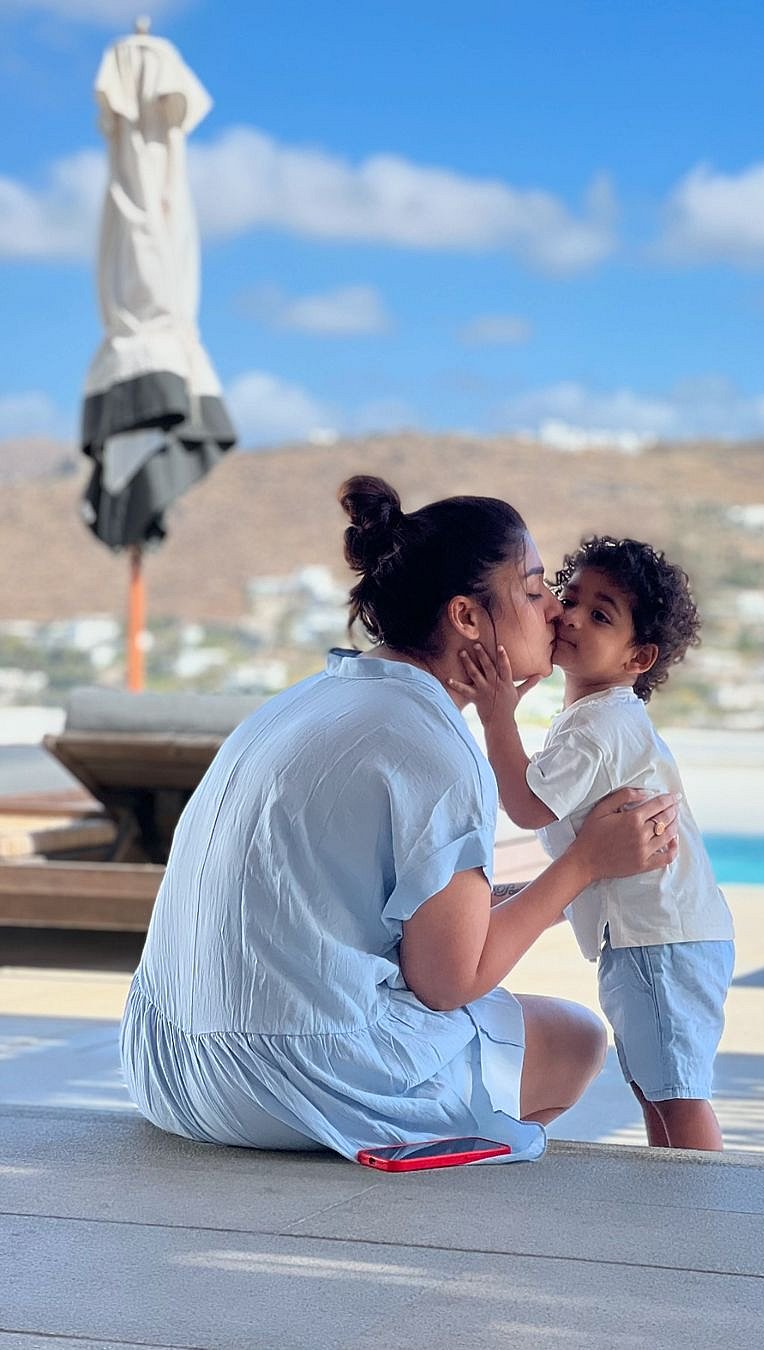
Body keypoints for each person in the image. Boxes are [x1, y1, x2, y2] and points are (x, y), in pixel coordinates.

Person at [119, 479, 679, 1164]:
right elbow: (449, 982)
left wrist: (539, 896)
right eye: (534, 590)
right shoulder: (433, 745)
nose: (556, 611)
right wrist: (585, 864)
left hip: (166, 1066)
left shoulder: (307, 700)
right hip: (285, 1084)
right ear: (466, 617)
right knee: (576, 1040)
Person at [451, 536, 735, 1150]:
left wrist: (497, 716)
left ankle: (705, 1199)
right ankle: (675, 1191)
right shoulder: (604, 720)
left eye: (601, 615)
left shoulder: (598, 726)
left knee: (676, 1094)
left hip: (658, 938)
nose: (572, 617)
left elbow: (528, 805)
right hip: (665, 933)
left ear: (639, 657)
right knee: (658, 1087)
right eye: (570, 598)